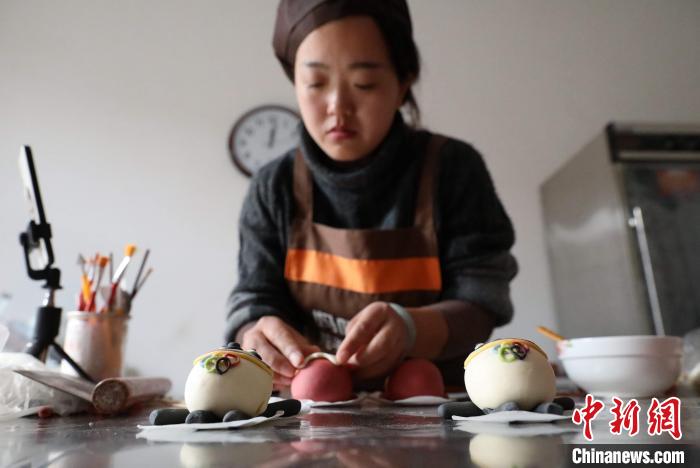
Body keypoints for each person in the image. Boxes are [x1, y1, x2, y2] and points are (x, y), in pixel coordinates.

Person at [225, 0, 517, 389]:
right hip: (309, 412)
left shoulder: (453, 169)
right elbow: (253, 297)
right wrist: (254, 331)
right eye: (315, 83)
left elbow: (482, 301)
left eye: (364, 83)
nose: (338, 107)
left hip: (440, 406)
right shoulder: (273, 186)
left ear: (403, 83)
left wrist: (411, 328)